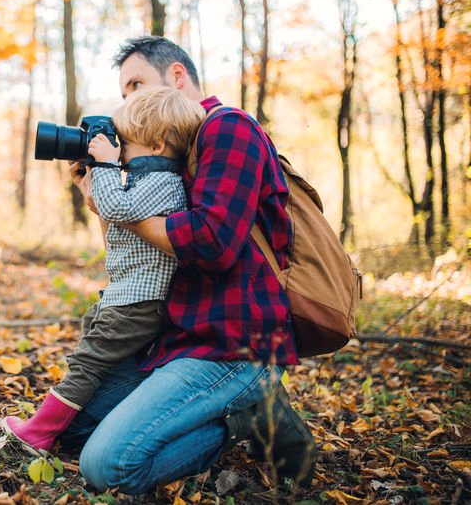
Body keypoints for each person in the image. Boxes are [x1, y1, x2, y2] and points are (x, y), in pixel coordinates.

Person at [58, 36, 316, 494]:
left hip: (233, 343)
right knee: (72, 430)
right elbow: (130, 263)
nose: (129, 104)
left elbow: (213, 242)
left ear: (177, 77)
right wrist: (100, 201)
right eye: (124, 93)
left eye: (136, 84)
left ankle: (241, 417)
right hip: (175, 336)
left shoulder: (228, 128)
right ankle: (215, 411)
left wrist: (122, 206)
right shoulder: (161, 162)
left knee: (106, 466)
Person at [3, 86, 208, 454]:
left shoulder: (165, 183)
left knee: (88, 361)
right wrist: (92, 182)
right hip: (127, 295)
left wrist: (107, 164)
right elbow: (116, 218)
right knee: (90, 339)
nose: (119, 150)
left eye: (125, 144)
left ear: (158, 145)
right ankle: (76, 409)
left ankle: (39, 432)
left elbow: (115, 208)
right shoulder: (148, 181)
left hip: (139, 302)